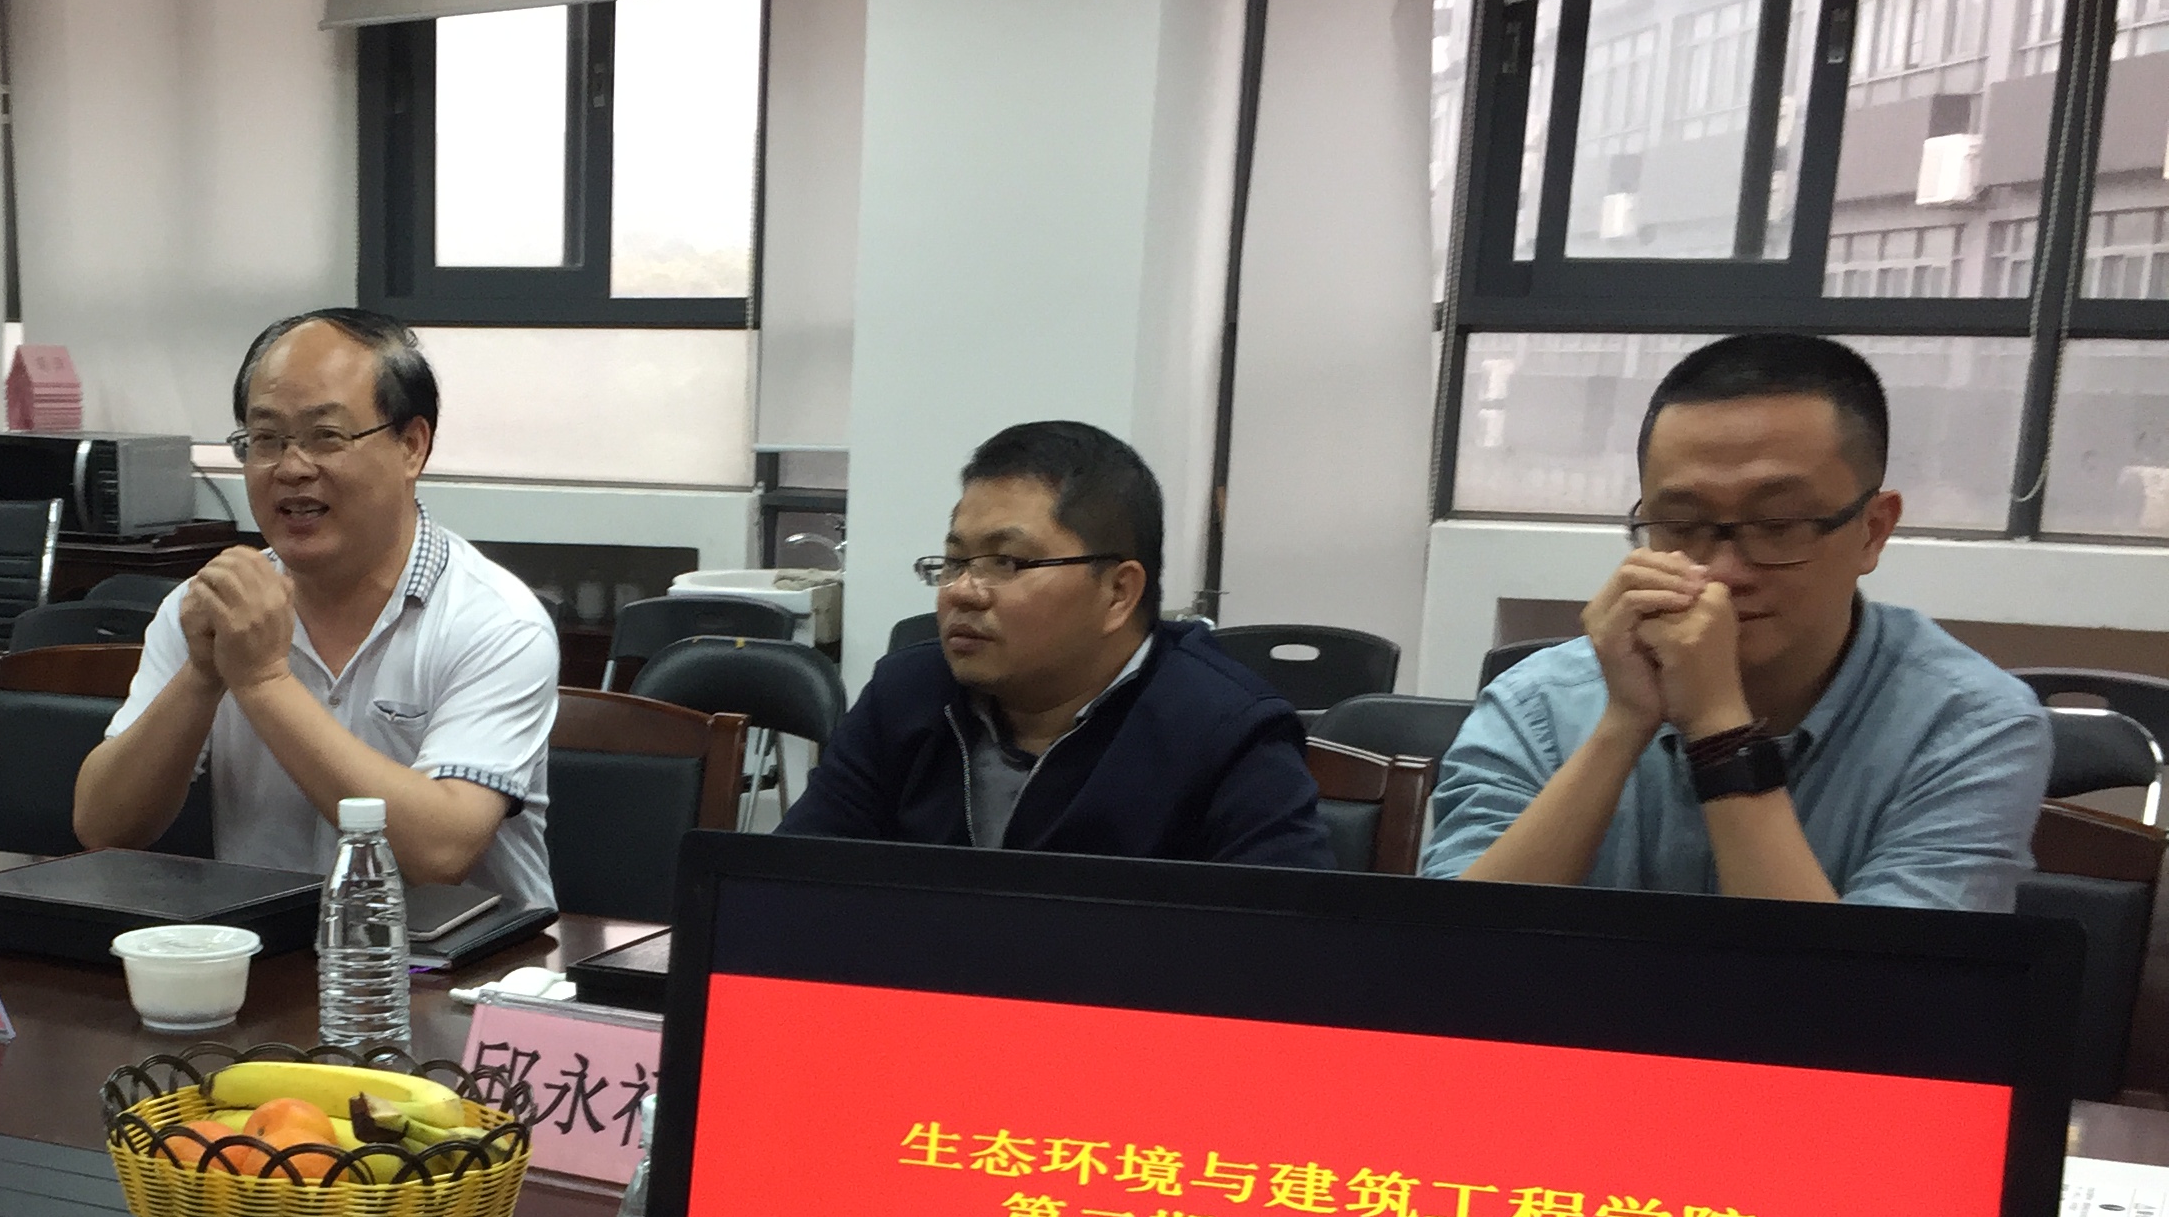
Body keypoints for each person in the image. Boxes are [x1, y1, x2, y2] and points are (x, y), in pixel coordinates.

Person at [1422, 333, 2049, 909]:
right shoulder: (1537, 703)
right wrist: (1622, 726)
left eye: (1777, 526)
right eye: (1682, 525)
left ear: (1872, 531)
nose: (1722, 572)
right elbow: (1448, 964)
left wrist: (1719, 732)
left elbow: (1867, 991)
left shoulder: (1970, 727)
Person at [74, 307, 557, 902]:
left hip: (455, 953)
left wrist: (263, 681)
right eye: (266, 440)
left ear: (411, 446)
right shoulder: (214, 606)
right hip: (268, 948)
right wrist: (202, 675)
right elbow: (104, 827)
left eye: (326, 436)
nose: (291, 468)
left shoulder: (496, 622)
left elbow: (440, 851)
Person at [780, 420, 1329, 864]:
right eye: (954, 561)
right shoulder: (905, 695)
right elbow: (791, 887)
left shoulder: (1224, 730)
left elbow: (1282, 947)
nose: (962, 591)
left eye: (1007, 562)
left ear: (1118, 592)